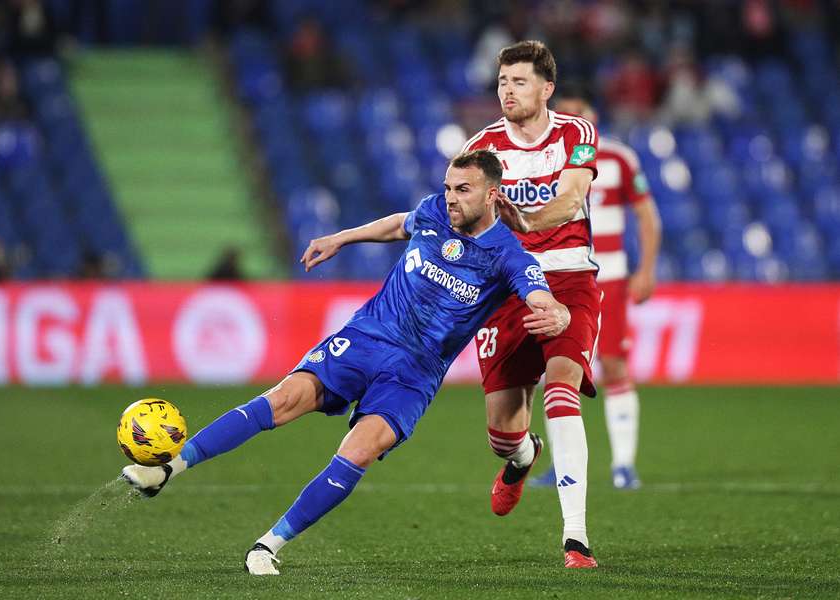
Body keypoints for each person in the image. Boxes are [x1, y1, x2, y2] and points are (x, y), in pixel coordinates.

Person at [120, 150, 571, 575]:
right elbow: (401, 225)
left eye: (464, 190)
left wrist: (555, 310)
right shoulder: (435, 210)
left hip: (415, 372)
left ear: (492, 194)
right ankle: (165, 469)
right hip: (366, 337)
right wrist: (342, 237)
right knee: (281, 399)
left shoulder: (508, 254)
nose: (451, 197)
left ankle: (267, 545)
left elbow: (537, 292)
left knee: (359, 450)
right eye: (449, 187)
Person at [462, 41, 601, 568]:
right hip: (507, 289)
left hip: (568, 281)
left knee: (561, 388)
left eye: (519, 82)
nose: (507, 91)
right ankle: (523, 459)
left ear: (546, 89)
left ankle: (576, 538)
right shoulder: (481, 147)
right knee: (503, 433)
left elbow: (570, 198)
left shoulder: (577, 133)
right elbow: (461, 214)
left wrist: (528, 221)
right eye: (502, 82)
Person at [530, 83, 661, 490]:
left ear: (593, 117)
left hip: (612, 276)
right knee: (557, 369)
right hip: (562, 275)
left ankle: (623, 464)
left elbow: (647, 216)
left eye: (578, 113)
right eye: (564, 114)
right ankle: (560, 464)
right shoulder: (541, 159)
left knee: (615, 365)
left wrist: (646, 269)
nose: (572, 122)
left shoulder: (619, 158)